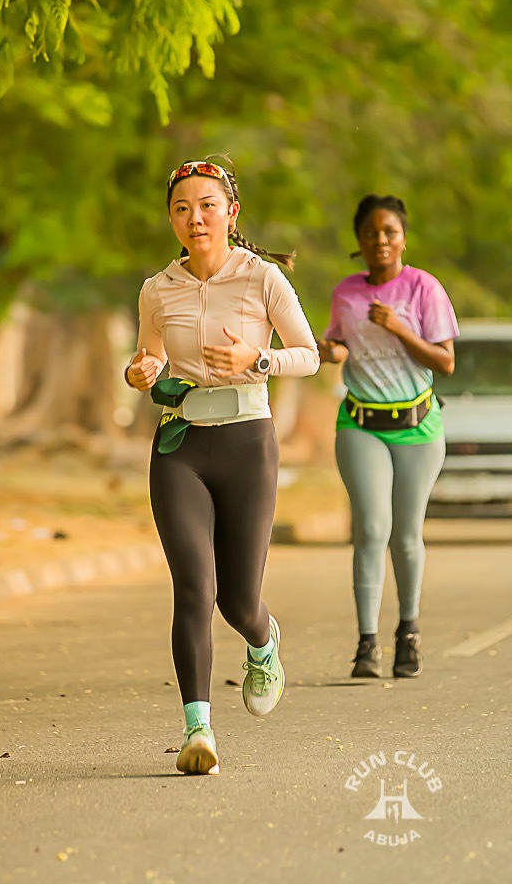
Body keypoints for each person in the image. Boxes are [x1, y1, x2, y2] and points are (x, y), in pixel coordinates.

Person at [124, 157, 319, 775]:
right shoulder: (157, 289)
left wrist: (257, 360)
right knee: (194, 586)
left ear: (231, 213)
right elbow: (150, 360)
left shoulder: (262, 278)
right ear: (171, 220)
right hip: (179, 447)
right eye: (182, 209)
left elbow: (309, 355)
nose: (195, 218)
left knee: (237, 600)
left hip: (247, 445)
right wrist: (140, 371)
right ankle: (198, 729)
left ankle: (263, 641)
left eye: (207, 206)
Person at [318, 195, 458, 679]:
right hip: (361, 425)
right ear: (358, 240)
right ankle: (367, 643)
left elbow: (445, 362)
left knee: (405, 535)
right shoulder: (346, 293)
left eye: (389, 232)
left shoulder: (423, 288)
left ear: (403, 238)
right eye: (370, 232)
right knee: (371, 529)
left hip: (418, 427)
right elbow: (340, 344)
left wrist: (398, 328)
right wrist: (329, 350)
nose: (380, 240)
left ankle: (408, 633)